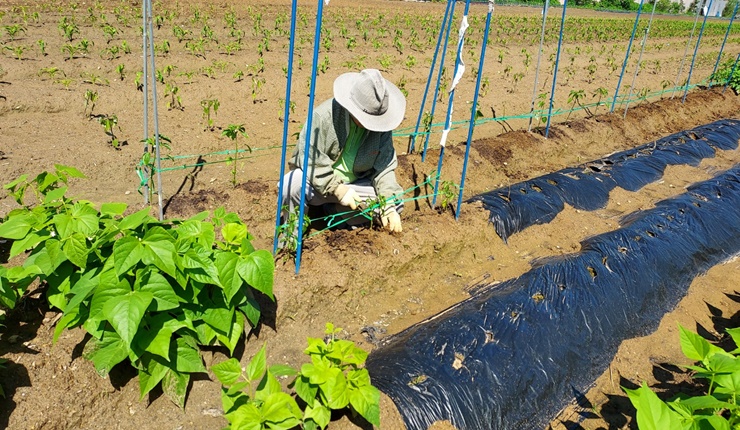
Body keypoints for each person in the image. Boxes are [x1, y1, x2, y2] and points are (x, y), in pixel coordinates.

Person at [281, 69, 406, 233]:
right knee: (290, 185)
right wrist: (338, 190)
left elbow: (385, 168)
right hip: (319, 185)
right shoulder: (322, 117)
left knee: (395, 205)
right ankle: (292, 235)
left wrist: (388, 203)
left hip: (356, 188)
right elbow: (311, 160)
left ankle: (336, 212)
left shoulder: (381, 129)